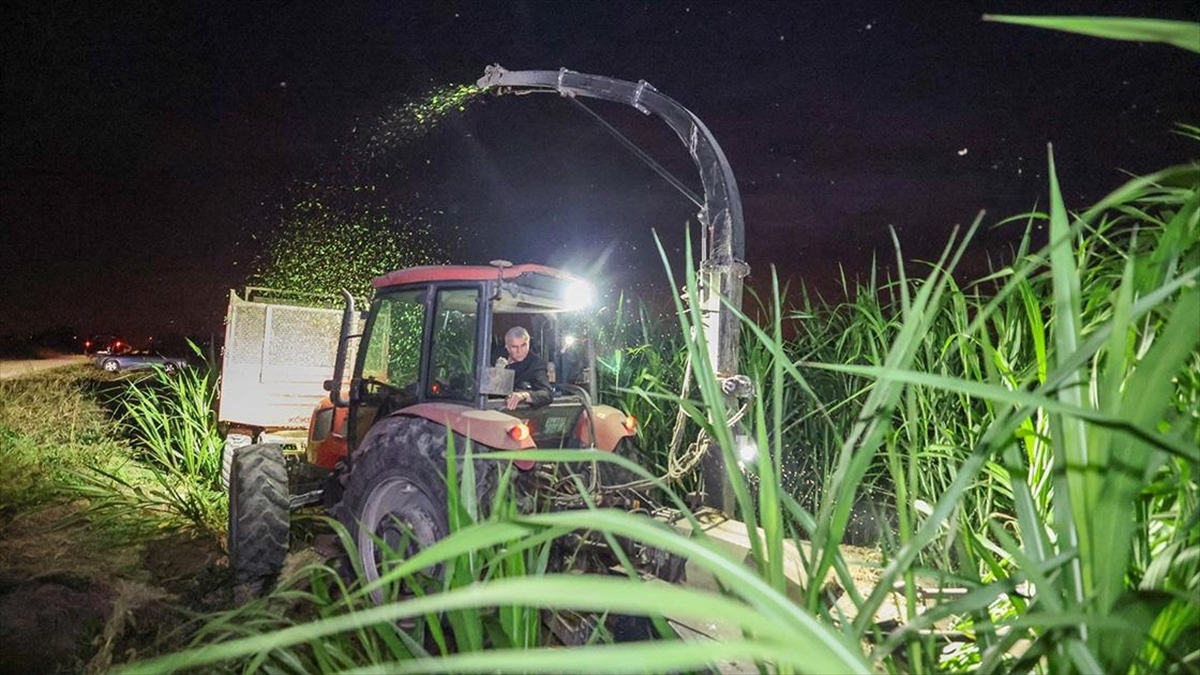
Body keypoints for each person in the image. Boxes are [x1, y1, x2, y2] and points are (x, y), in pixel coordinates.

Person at [501, 326, 553, 410]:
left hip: (518, 411)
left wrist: (523, 395)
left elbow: (547, 394)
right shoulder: (494, 356)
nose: (520, 351)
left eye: (523, 346)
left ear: (528, 344)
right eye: (514, 347)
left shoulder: (536, 364)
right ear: (506, 346)